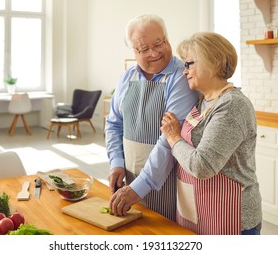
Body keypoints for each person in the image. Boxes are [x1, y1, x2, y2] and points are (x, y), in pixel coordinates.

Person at [160, 32, 262, 235]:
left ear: (213, 63)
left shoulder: (232, 106)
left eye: (189, 64)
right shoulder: (204, 101)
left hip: (234, 218)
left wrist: (173, 138)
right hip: (200, 210)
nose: (184, 71)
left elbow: (202, 166)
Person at [105, 14, 199, 221]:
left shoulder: (182, 77)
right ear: (133, 50)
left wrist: (140, 187)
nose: (154, 53)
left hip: (167, 181)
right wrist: (117, 163)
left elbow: (169, 140)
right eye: (144, 49)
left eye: (159, 43)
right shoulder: (126, 77)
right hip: (129, 177)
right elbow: (114, 124)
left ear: (167, 39)